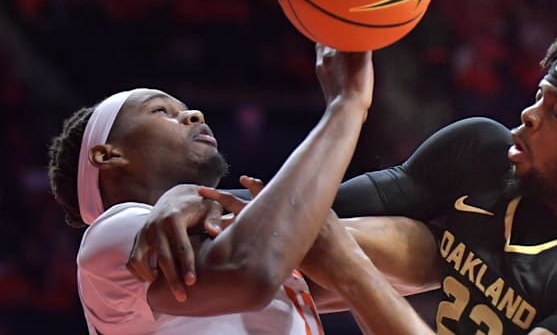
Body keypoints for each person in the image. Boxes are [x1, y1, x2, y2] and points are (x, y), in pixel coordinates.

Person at [134, 18, 557, 335]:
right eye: (538, 98)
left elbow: (337, 251)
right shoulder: (483, 151)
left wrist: (350, 270)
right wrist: (197, 198)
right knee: (329, 232)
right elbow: (312, 207)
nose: (528, 116)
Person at [47, 46, 433, 335]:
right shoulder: (111, 236)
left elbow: (393, 265)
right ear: (107, 154)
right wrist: (346, 105)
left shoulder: (236, 237)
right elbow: (252, 273)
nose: (193, 114)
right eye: (160, 111)